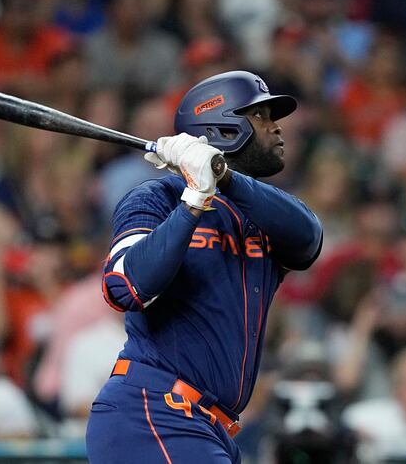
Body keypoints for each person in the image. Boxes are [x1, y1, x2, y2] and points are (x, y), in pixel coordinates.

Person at [85, 71, 323, 463]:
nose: (277, 127)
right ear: (222, 128)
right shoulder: (156, 197)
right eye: (261, 116)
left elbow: (308, 238)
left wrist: (222, 177)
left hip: (210, 427)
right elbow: (125, 286)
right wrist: (193, 201)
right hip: (153, 412)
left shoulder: (263, 213)